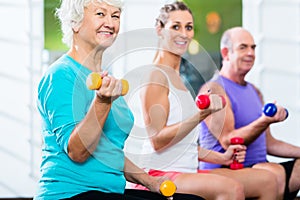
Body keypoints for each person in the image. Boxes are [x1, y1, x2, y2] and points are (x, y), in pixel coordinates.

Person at [33, 0, 203, 199]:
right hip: (71, 193)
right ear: (75, 22)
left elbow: (109, 153)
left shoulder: (106, 80)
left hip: (108, 191)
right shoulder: (61, 75)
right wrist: (102, 102)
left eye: (115, 16)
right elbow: (77, 152)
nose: (110, 23)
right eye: (100, 14)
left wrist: (150, 181)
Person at [124, 1, 279, 200]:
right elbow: (158, 141)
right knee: (231, 189)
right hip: (158, 173)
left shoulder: (177, 78)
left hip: (186, 169)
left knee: (267, 181)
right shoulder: (156, 76)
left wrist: (222, 157)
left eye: (188, 27)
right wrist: (201, 115)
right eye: (175, 27)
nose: (183, 33)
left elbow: (183, 145)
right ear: (159, 30)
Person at [198, 26, 300, 200]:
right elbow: (227, 140)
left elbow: (269, 143)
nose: (250, 53)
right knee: (271, 173)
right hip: (226, 172)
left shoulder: (254, 91)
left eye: (253, 47)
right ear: (226, 53)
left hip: (259, 168)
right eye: (243, 47)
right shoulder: (214, 90)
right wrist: (265, 120)